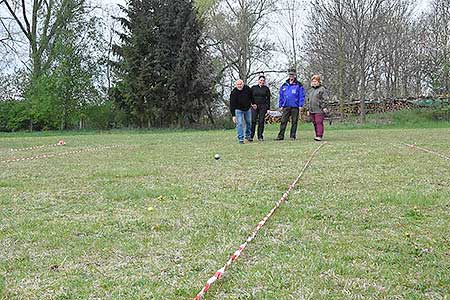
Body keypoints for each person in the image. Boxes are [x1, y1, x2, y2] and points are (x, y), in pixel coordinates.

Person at [276, 69, 305, 140]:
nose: (291, 76)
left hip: (295, 106)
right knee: (283, 121)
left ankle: (292, 136)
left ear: (295, 75)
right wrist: (280, 105)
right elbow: (281, 96)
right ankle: (280, 136)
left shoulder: (299, 85)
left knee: (294, 121)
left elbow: (302, 95)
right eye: (290, 75)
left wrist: (300, 105)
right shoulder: (284, 85)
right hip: (286, 106)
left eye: (292, 75)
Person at [230, 79, 256, 144]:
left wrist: (253, 103)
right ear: (236, 85)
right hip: (238, 109)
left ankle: (248, 136)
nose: (239, 86)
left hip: (247, 108)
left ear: (243, 84)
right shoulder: (233, 93)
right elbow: (232, 105)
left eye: (240, 84)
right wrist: (233, 115)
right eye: (238, 84)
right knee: (240, 124)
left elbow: (251, 96)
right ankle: (241, 139)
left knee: (249, 122)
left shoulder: (247, 89)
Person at [305, 74, 328, 141]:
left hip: (319, 109)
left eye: (315, 81)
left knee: (319, 122)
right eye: (313, 81)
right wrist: (308, 109)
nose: (314, 83)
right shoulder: (310, 90)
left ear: (319, 82)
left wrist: (324, 107)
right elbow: (308, 100)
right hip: (312, 110)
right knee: (314, 122)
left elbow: (325, 99)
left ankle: (319, 135)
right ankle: (317, 134)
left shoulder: (322, 89)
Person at [251, 75, 271, 141]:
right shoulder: (253, 88)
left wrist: (268, 108)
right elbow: (250, 97)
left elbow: (268, 99)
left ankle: (260, 136)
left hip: (263, 107)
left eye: (263, 81)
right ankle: (251, 136)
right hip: (254, 107)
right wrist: (252, 104)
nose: (262, 82)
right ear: (258, 80)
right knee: (253, 121)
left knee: (261, 121)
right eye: (261, 80)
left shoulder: (266, 89)